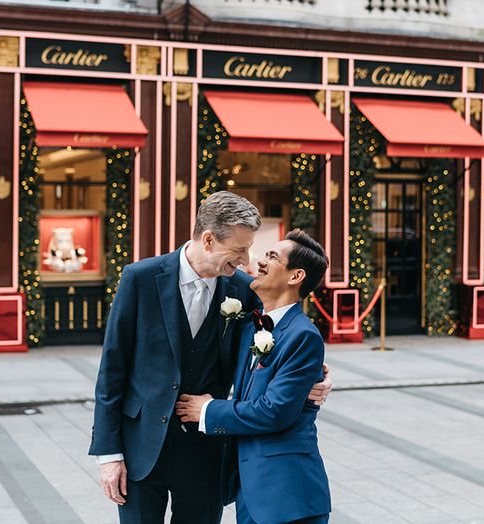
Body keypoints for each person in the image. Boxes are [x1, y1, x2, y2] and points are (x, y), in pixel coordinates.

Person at [88, 191, 331, 524]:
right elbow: (112, 370)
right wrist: (108, 454)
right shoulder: (140, 278)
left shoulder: (245, 289)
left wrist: (317, 378)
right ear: (208, 240)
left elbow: (285, 332)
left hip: (207, 450)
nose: (247, 260)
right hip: (141, 449)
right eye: (239, 249)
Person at [175, 229, 332, 524]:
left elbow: (274, 412)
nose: (259, 261)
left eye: (272, 256)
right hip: (251, 492)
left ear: (295, 276)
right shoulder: (250, 326)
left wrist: (207, 410)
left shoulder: (303, 336)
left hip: (288, 495)